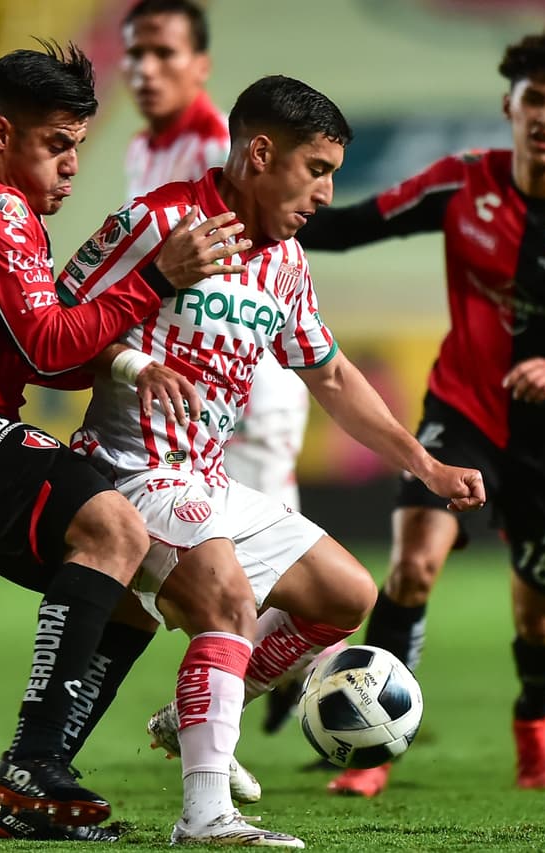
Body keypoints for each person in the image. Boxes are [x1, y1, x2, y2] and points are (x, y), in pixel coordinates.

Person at [57, 74, 485, 845]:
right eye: (316, 169)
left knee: (343, 593)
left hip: (207, 478)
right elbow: (54, 325)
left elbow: (333, 376)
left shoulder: (286, 262)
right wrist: (133, 364)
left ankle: (194, 713)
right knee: (227, 601)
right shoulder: (158, 221)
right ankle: (205, 813)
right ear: (260, 154)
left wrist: (425, 465)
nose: (326, 193)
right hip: (131, 470)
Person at [0, 41, 243, 842]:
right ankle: (32, 765)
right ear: (1, 134)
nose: (73, 164)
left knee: (134, 588)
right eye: (57, 143)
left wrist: (131, 361)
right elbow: (47, 345)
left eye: (79, 144)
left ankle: (27, 788)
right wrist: (156, 278)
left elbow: (52, 354)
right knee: (114, 528)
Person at [295, 26, 545, 798]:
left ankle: (533, 720)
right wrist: (252, 207)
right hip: (464, 410)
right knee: (413, 564)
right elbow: (350, 225)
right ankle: (373, 750)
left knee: (538, 619)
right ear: (510, 106)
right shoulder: (463, 183)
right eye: (535, 99)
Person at [121, 2, 312, 588]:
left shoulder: (216, 154)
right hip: (185, 402)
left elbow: (267, 266)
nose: (145, 69)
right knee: (186, 583)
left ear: (201, 65)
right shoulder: (143, 148)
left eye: (164, 53)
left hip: (245, 395)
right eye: (135, 53)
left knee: (262, 587)